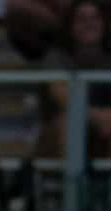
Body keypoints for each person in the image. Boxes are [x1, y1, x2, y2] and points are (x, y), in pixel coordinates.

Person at [35, 0, 110, 159]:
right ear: (70, 27)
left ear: (104, 24)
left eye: (95, 18)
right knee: (70, 121)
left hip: (103, 130)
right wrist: (98, 117)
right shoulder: (56, 57)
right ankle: (72, 183)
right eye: (81, 19)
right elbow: (63, 97)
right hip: (59, 132)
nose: (89, 24)